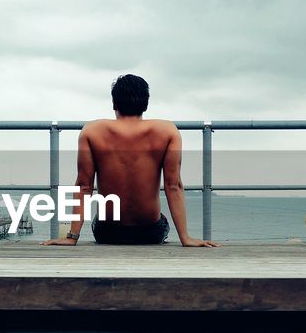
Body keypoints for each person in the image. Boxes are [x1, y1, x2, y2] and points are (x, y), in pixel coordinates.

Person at [42, 74, 218, 247]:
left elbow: (84, 186)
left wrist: (72, 237)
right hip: (149, 232)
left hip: (108, 232)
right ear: (146, 104)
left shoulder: (92, 131)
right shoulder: (168, 131)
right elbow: (173, 186)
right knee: (161, 219)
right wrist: (186, 238)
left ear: (114, 103)